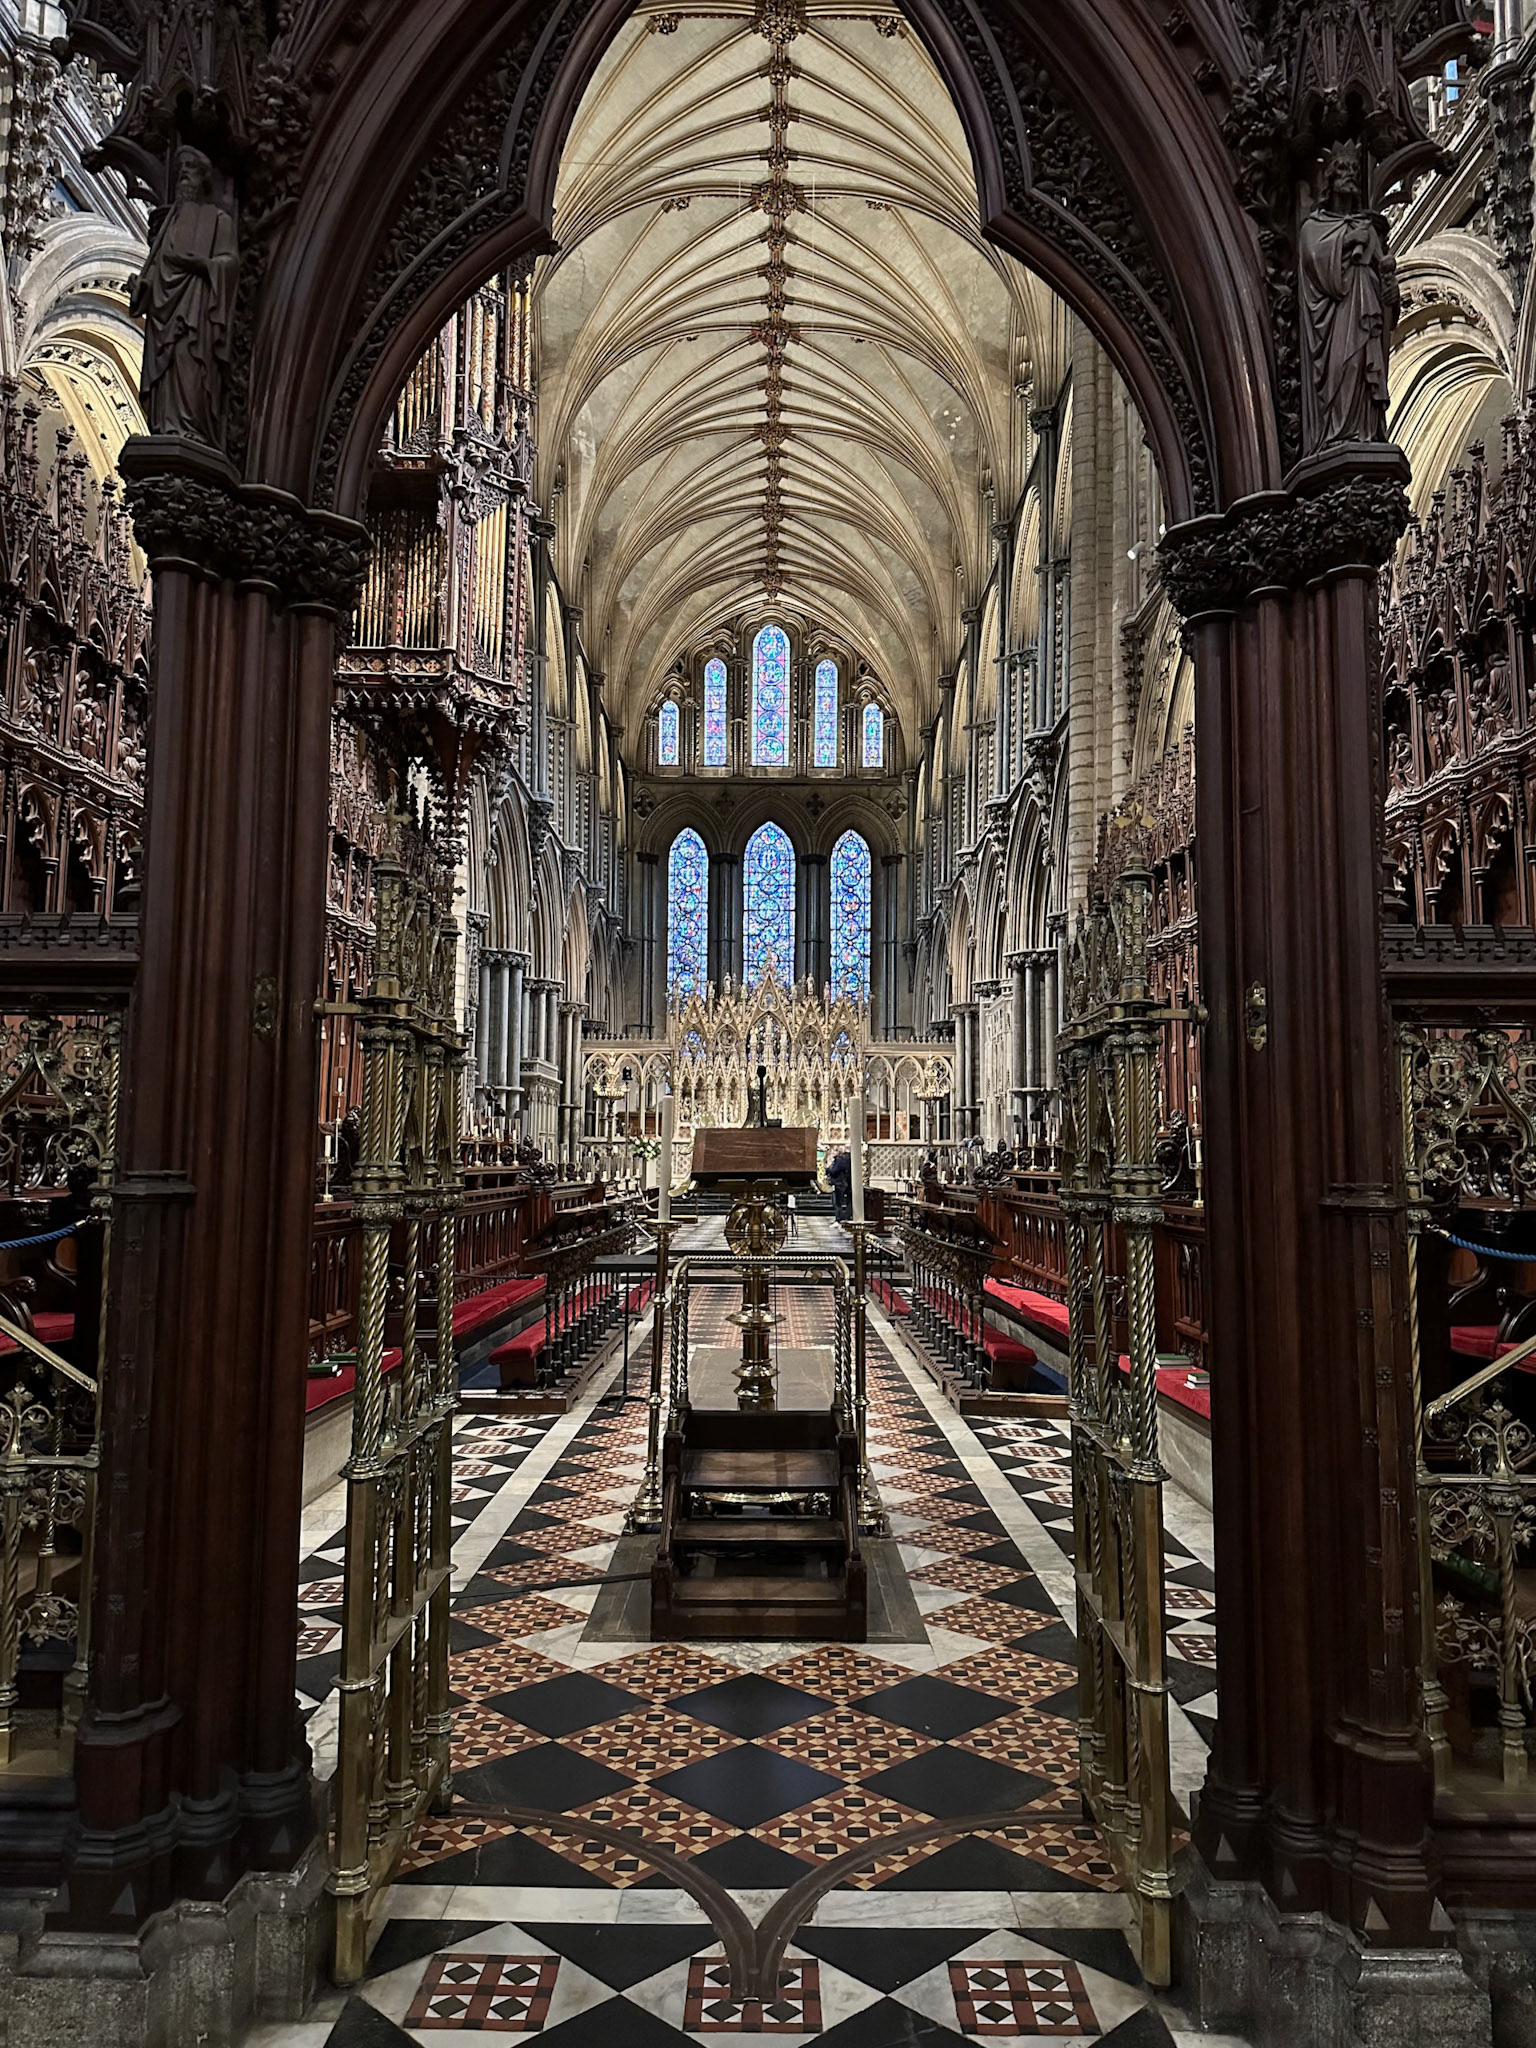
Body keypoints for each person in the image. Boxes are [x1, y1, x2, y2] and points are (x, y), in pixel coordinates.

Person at [826, 1147, 851, 1222]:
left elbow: (834, 1171)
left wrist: (828, 1168)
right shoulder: (838, 1160)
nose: (832, 1153)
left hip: (839, 1184)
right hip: (838, 1183)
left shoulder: (840, 1161)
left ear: (838, 1152)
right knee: (836, 1202)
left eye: (834, 1151)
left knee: (837, 1203)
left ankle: (839, 1218)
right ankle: (840, 1217)